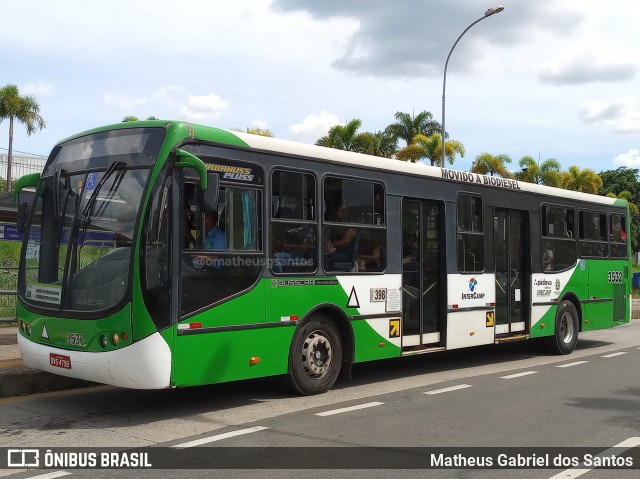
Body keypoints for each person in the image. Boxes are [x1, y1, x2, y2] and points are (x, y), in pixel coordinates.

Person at [324, 205, 358, 270]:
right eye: (338, 211)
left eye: (342, 212)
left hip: (345, 254)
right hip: (332, 251)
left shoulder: (351, 227)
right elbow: (325, 239)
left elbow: (344, 242)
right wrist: (328, 229)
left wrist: (331, 245)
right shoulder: (335, 225)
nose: (339, 213)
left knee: (324, 260)